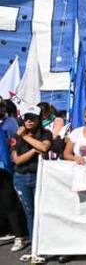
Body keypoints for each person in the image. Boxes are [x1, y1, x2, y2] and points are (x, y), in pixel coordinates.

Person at [11, 107, 51, 260]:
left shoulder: (45, 133)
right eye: (26, 118)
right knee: (29, 212)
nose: (28, 121)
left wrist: (27, 137)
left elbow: (44, 147)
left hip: (38, 176)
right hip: (21, 177)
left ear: (38, 119)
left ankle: (44, 244)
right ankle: (35, 245)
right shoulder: (16, 136)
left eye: (32, 118)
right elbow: (17, 160)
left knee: (42, 211)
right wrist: (34, 151)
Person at [0, 101, 27, 255]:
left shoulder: (10, 123)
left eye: (2, 106)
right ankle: (4, 230)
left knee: (10, 203)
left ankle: (19, 236)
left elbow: (15, 143)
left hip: (6, 169)